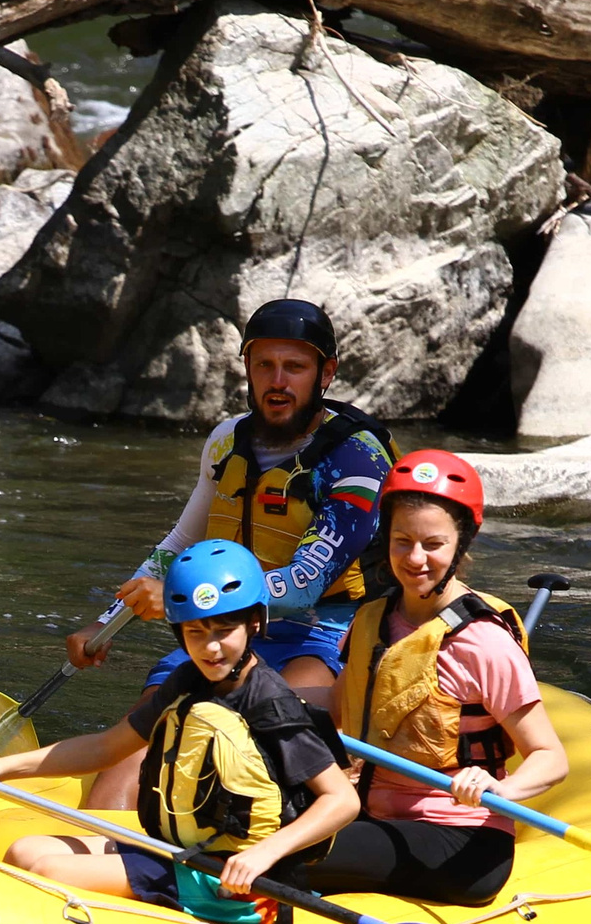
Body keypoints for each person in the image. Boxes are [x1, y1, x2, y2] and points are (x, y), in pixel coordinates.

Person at [70, 298, 394, 807]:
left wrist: (186, 599)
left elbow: (306, 583)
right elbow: (179, 545)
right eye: (264, 364)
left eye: (295, 367)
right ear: (246, 368)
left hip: (323, 634)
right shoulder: (226, 442)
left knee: (272, 722)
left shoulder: (357, 458)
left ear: (325, 373)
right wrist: (105, 624)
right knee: (137, 756)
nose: (278, 381)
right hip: (221, 629)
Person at [0, 540, 357, 916]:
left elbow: (341, 801)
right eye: (195, 632)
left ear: (253, 623)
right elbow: (104, 749)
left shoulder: (270, 702)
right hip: (184, 851)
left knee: (50, 870)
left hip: (240, 879)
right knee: (24, 850)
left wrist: (263, 854)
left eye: (224, 630)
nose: (211, 647)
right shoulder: (187, 682)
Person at [298, 448, 567, 907]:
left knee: (289, 850)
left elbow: (550, 758)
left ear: (461, 544)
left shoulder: (484, 642)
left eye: (433, 544)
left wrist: (496, 789)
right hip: (370, 813)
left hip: (459, 841)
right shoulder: (370, 621)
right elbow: (340, 710)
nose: (415, 558)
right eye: (402, 541)